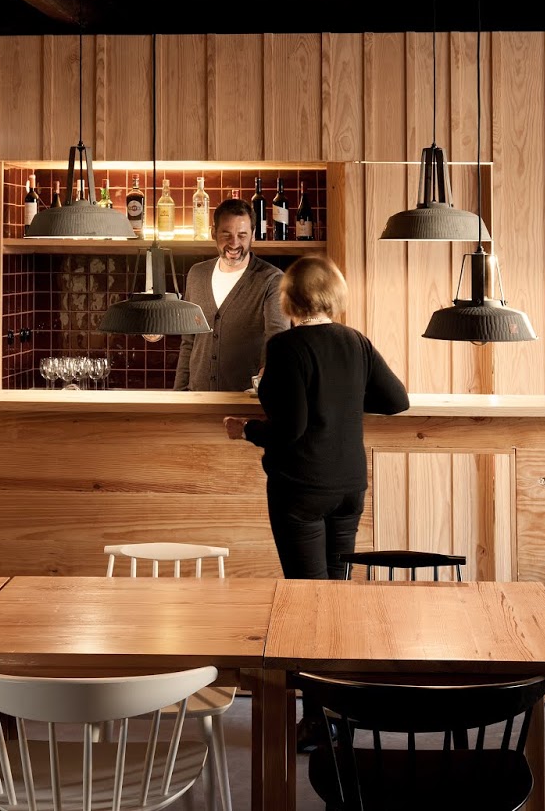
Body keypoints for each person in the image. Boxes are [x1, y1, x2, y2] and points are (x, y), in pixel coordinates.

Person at [223, 256, 410, 581]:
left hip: (302, 487)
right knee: (337, 588)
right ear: (335, 295)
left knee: (307, 590)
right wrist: (339, 397)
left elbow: (290, 429)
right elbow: (397, 400)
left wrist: (246, 429)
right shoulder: (356, 341)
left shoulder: (285, 346)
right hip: (349, 486)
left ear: (288, 298)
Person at [175, 198, 288, 392]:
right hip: (197, 398)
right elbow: (188, 342)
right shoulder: (197, 274)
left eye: (242, 235)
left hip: (245, 401)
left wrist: (267, 382)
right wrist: (179, 393)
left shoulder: (272, 280)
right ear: (213, 233)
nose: (234, 243)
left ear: (253, 235)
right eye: (226, 234)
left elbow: (277, 339)